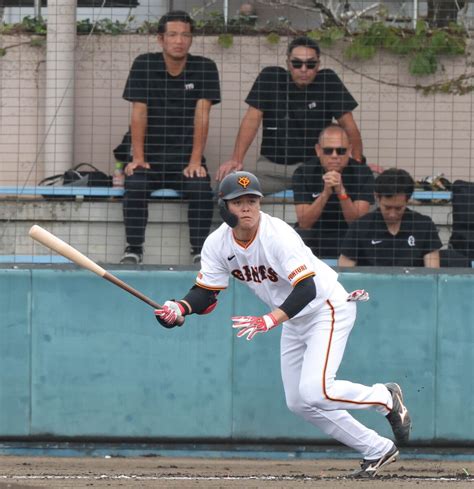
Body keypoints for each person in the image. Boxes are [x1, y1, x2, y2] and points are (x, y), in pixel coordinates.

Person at [154, 170, 412, 478]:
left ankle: (385, 397)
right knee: (299, 403)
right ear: (223, 206)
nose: (247, 208)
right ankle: (376, 448)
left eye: (252, 200)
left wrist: (269, 319)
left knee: (317, 391)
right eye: (238, 202)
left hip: (325, 307)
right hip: (293, 316)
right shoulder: (216, 244)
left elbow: (307, 288)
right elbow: (207, 294)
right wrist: (179, 308)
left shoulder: (277, 236)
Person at [119, 10, 221, 265]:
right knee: (135, 185)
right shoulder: (144, 64)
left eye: (185, 35)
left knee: (201, 188)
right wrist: (138, 158)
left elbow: (202, 115)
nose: (179, 40)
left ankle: (200, 252)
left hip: (186, 159)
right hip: (150, 158)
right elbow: (138, 112)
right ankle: (133, 249)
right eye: (173, 34)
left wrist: (196, 161)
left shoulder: (205, 67)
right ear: (160, 39)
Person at [215, 36, 364, 195]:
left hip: (315, 173)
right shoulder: (271, 77)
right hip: (271, 171)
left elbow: (349, 125)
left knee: (363, 186)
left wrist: (356, 163)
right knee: (227, 188)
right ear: (288, 63)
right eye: (297, 63)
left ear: (318, 65)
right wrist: (236, 159)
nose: (304, 69)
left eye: (310, 64)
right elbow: (251, 120)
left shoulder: (328, 81)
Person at [292, 125, 375, 259]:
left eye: (341, 151)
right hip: (316, 233)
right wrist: (325, 193)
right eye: (328, 151)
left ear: (349, 150)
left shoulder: (362, 173)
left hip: (348, 233)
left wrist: (341, 191)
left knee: (365, 236)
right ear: (318, 150)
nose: (335, 156)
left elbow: (357, 223)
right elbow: (304, 223)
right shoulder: (303, 172)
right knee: (300, 235)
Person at [338, 168, 442, 268]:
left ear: (408, 200)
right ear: (377, 197)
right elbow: (345, 272)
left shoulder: (424, 225)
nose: (392, 214)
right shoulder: (360, 227)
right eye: (387, 207)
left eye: (398, 208)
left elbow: (432, 274)